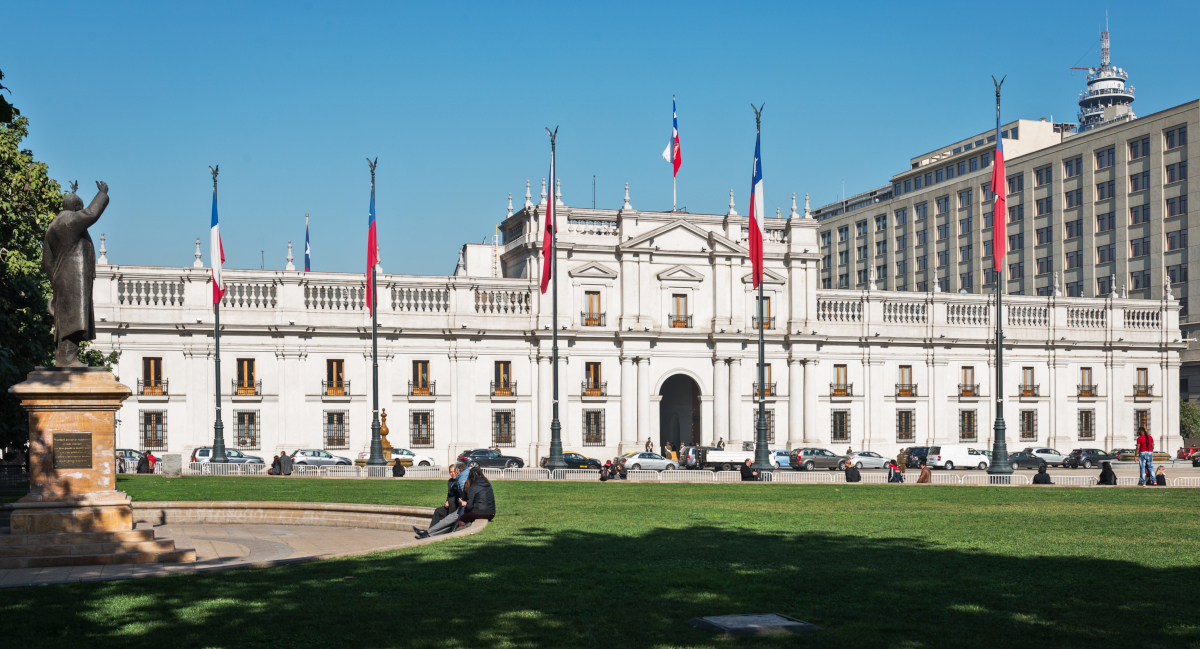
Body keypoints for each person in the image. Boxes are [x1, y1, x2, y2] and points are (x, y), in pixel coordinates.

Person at [419, 462, 466, 536]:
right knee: (438, 511)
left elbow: (460, 495)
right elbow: (449, 494)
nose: (453, 473)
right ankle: (429, 531)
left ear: (457, 471)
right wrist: (446, 502)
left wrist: (450, 501)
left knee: (452, 502)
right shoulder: (450, 482)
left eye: (454, 471)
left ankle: (441, 531)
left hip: (456, 506)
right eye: (450, 472)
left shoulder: (460, 481)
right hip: (450, 504)